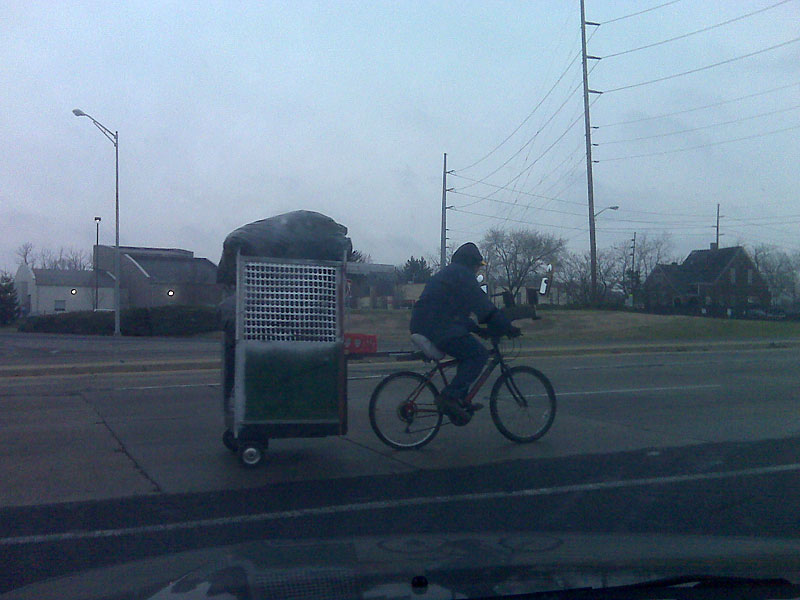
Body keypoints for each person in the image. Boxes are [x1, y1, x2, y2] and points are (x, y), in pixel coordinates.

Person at [410, 242, 521, 424]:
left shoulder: (451, 274)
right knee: (478, 355)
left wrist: (479, 330)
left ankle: (460, 399)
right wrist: (506, 326)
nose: (478, 270)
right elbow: (483, 306)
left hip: (427, 323)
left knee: (467, 352)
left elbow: (457, 314)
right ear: (471, 263)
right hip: (437, 327)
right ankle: (450, 397)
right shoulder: (463, 275)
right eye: (478, 265)